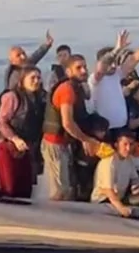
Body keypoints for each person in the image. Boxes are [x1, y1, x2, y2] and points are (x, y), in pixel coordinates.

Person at [41, 54, 101, 201]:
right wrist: (86, 139)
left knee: (68, 187)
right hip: (55, 143)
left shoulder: (76, 88)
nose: (84, 71)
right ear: (68, 72)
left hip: (65, 142)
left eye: (85, 67)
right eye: (78, 68)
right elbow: (67, 123)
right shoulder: (67, 90)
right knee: (60, 190)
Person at [0, 66, 46, 198]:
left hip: (27, 147)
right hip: (9, 146)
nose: (36, 81)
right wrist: (15, 139)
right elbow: (1, 122)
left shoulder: (39, 99)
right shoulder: (12, 97)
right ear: (22, 80)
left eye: (38, 78)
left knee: (25, 188)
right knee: (10, 188)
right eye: (32, 78)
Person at [88, 29, 139, 132]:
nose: (114, 65)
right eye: (110, 63)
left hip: (121, 127)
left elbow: (133, 60)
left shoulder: (116, 74)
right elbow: (100, 69)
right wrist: (117, 49)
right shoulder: (95, 79)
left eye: (115, 61)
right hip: (104, 130)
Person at [90, 130, 139, 217]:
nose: (128, 148)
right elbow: (108, 190)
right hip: (102, 201)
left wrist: (138, 189)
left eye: (131, 144)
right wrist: (121, 208)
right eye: (125, 144)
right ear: (116, 145)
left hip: (119, 199)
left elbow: (135, 179)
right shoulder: (109, 161)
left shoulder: (129, 160)